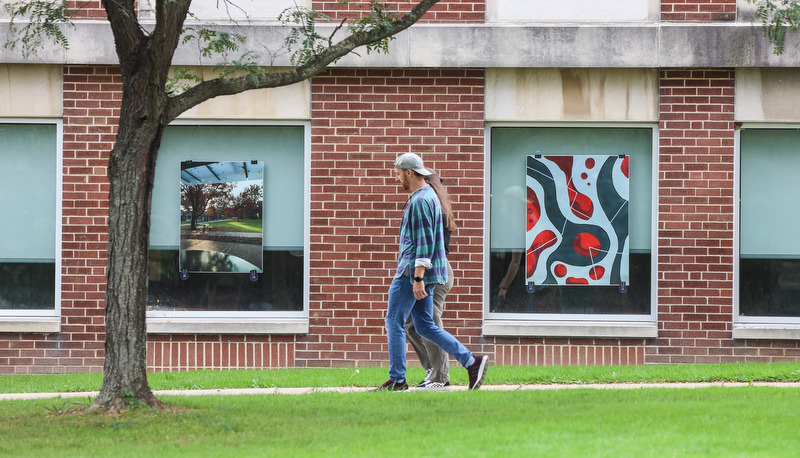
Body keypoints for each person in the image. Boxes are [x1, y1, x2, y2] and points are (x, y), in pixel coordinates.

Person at [375, 152, 489, 392]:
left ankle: (397, 379)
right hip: (424, 273)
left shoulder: (419, 201)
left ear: (409, 172)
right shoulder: (430, 197)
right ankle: (472, 361)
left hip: (410, 273)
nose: (397, 179)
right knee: (425, 325)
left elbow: (424, 243)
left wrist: (417, 277)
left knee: (394, 321)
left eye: (398, 174)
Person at [405, 168, 455, 389]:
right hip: (431, 272)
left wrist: (419, 276)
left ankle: (440, 377)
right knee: (410, 323)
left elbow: (431, 248)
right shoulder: (434, 206)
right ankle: (433, 370)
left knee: (429, 321)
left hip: (435, 273)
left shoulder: (433, 210)